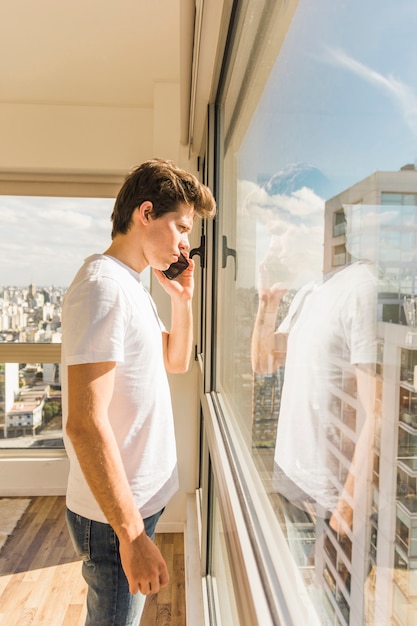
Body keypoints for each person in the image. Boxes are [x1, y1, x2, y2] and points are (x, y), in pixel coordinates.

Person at [61, 158, 216, 626]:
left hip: (133, 506)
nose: (186, 242)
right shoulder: (102, 288)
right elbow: (84, 423)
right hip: (114, 522)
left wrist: (182, 300)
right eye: (181, 227)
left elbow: (176, 361)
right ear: (145, 213)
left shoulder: (132, 286)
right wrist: (131, 537)